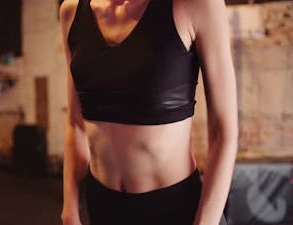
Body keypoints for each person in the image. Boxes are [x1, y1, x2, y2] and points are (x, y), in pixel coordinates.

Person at [59, 0, 238, 224]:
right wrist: (70, 208)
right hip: (102, 206)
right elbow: (75, 123)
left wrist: (205, 222)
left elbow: (224, 132)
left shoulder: (197, 4)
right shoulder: (71, 11)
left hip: (174, 209)